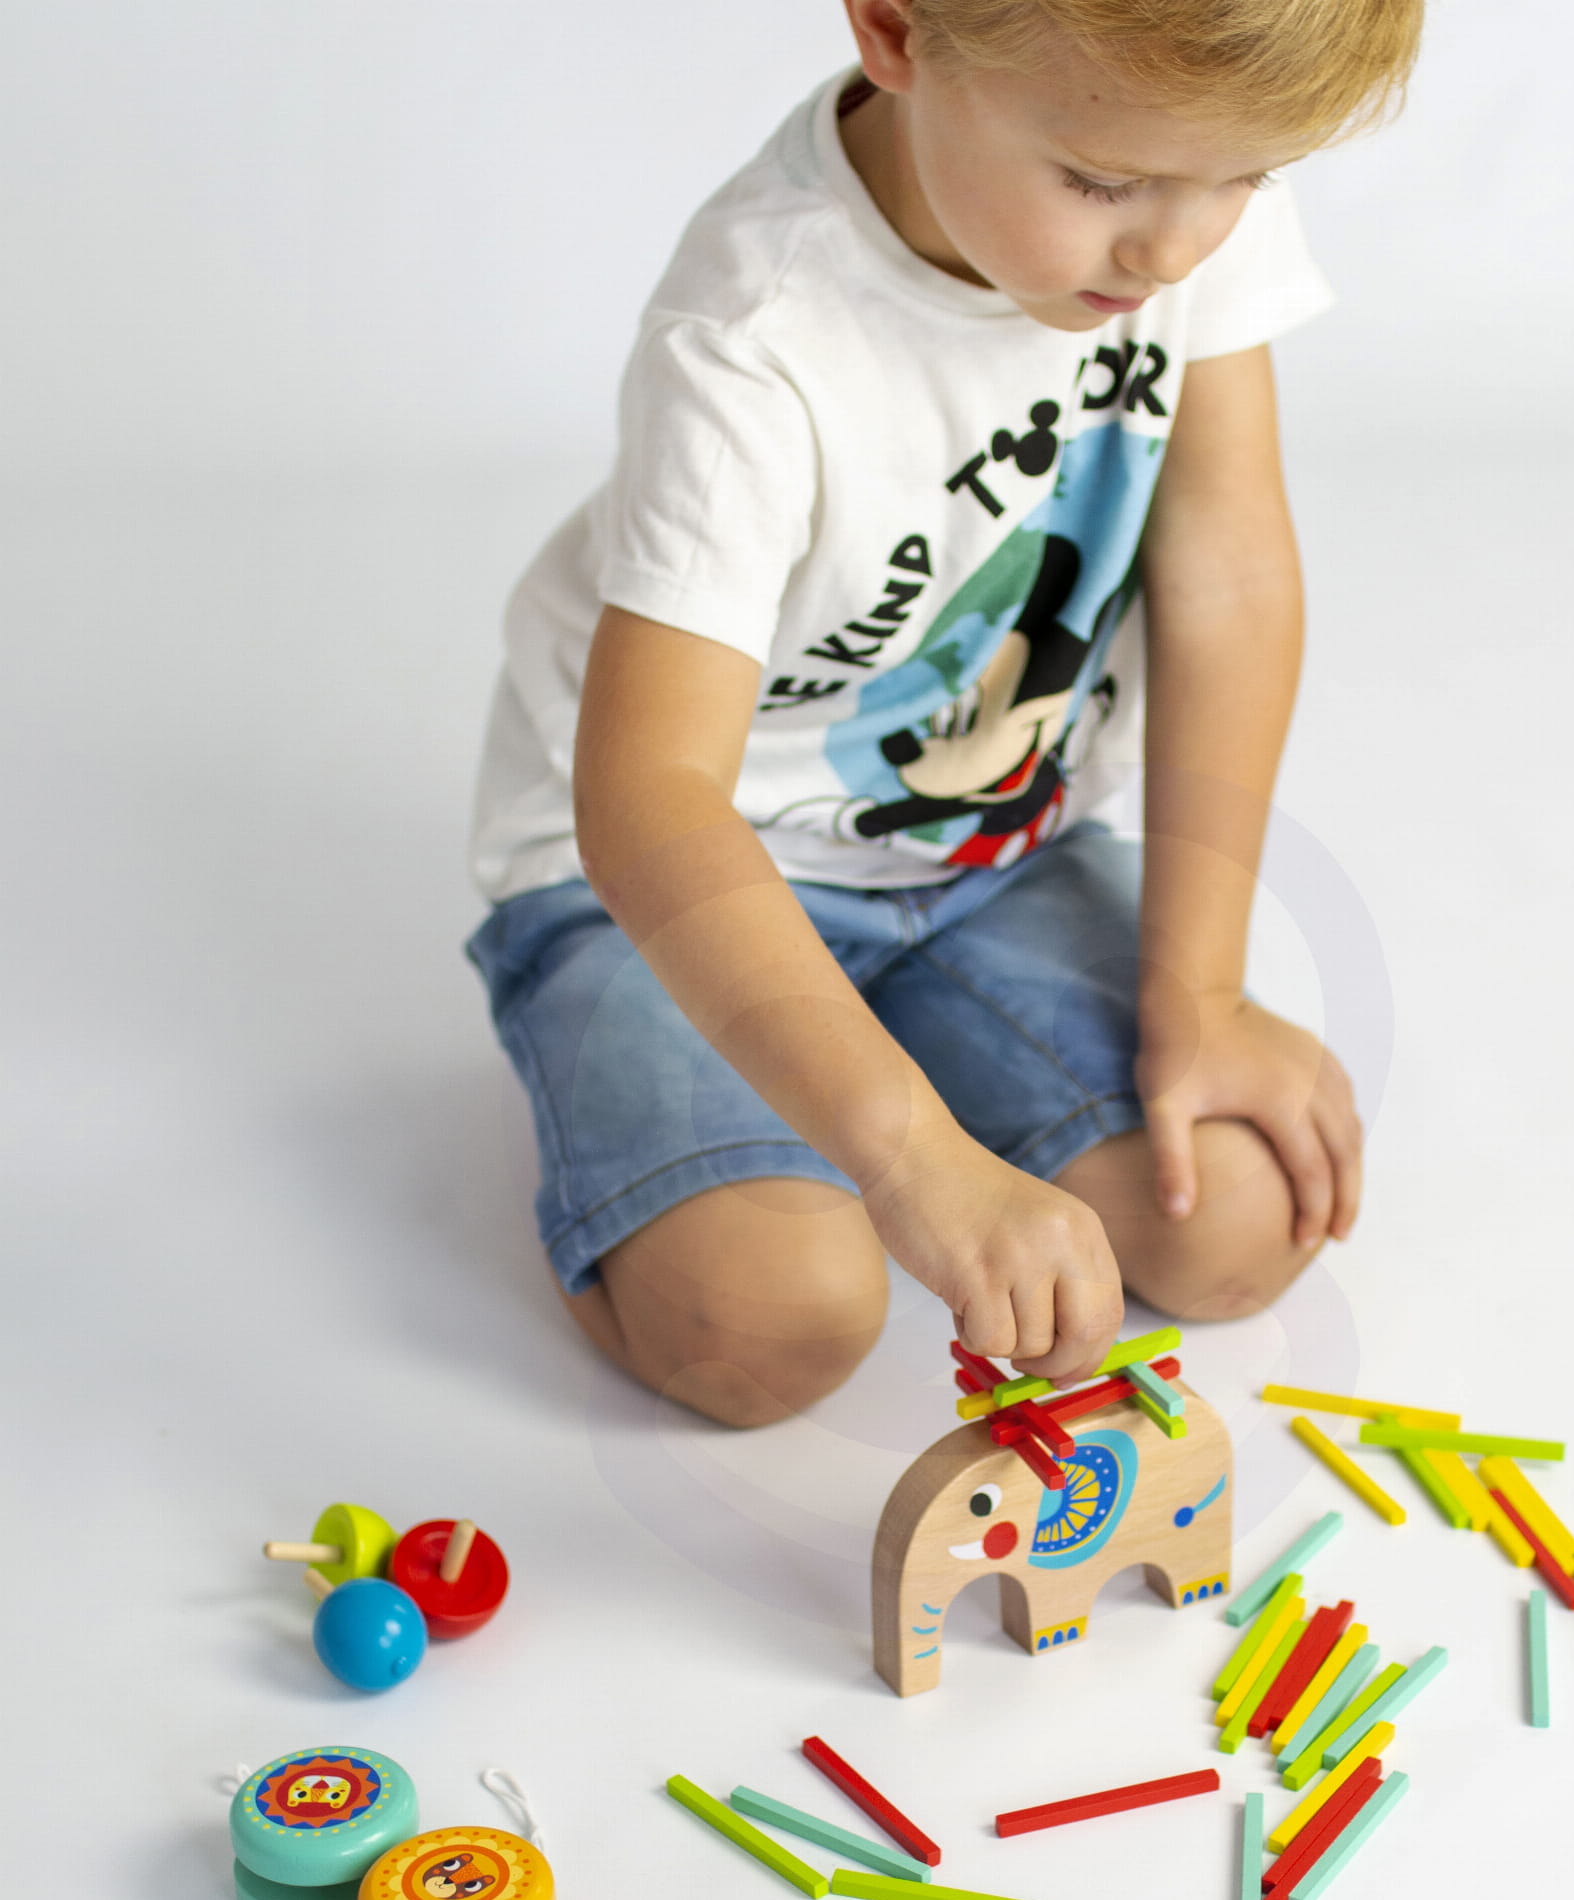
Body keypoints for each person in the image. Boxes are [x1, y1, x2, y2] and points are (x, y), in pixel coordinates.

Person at [464, 0, 1421, 1426]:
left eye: (1247, 180)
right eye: (1100, 183)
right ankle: (634, 1160)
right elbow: (647, 801)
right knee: (768, 1327)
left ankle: (886, 1067)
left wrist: (1201, 996)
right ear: (898, 29)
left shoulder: (1180, 169)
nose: (1175, 251)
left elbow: (1227, 579)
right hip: (668, 889)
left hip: (990, 854)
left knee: (1234, 1222)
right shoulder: (754, 334)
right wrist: (912, 1158)